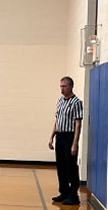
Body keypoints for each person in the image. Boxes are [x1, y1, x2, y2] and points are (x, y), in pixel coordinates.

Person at [49, 76, 83, 205]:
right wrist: (51, 136)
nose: (61, 89)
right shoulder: (60, 101)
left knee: (71, 167)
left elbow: (78, 124)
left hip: (70, 136)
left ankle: (73, 195)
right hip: (60, 136)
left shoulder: (76, 102)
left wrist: (74, 144)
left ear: (71, 87)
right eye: (60, 86)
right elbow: (57, 120)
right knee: (61, 166)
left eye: (64, 86)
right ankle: (64, 192)